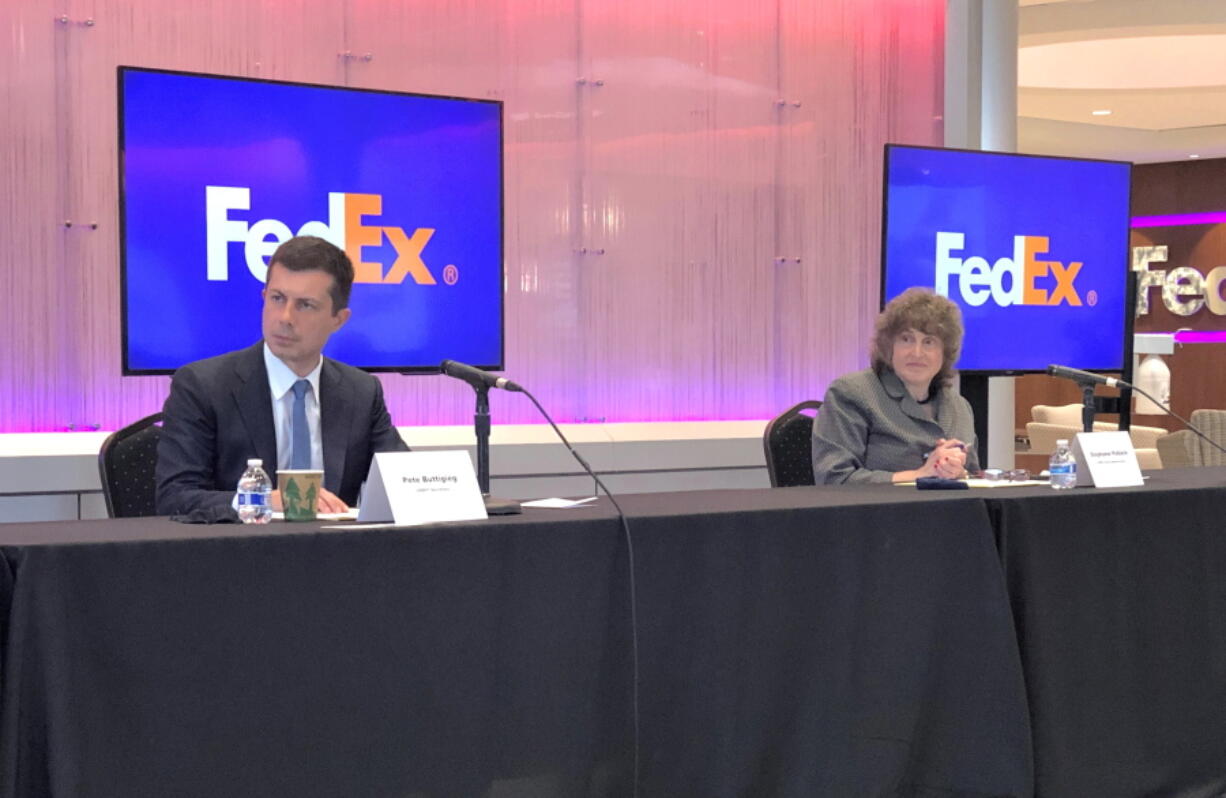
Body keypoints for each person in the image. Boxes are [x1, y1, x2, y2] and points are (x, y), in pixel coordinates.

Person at [156, 235, 409, 516]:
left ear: (338, 319)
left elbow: (405, 484)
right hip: (238, 553)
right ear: (264, 298)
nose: (285, 317)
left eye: (305, 305)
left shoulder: (361, 392)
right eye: (277, 298)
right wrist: (264, 501)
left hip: (335, 553)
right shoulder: (203, 386)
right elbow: (175, 497)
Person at [811, 287, 978, 484]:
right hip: (878, 513)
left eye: (929, 342)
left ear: (945, 352)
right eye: (906, 339)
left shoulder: (959, 407)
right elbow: (834, 479)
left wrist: (958, 473)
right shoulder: (851, 393)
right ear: (888, 346)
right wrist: (920, 475)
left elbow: (974, 477)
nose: (917, 353)